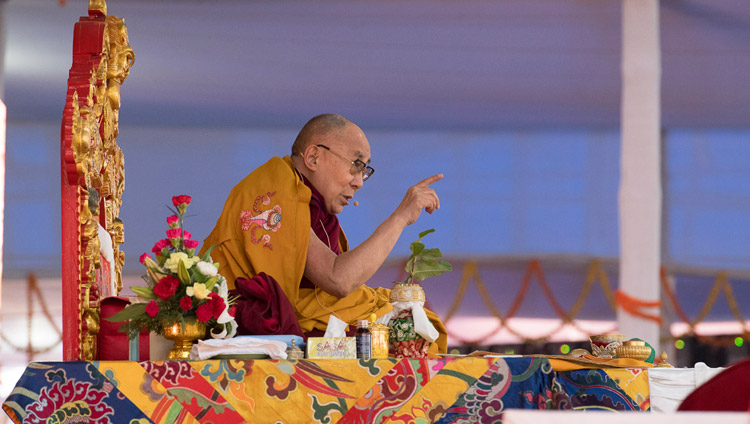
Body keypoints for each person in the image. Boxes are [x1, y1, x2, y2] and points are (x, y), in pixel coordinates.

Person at [201, 113, 447, 353]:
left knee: (411, 322)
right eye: (356, 165)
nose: (359, 181)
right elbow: (338, 280)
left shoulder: (306, 201)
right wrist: (400, 217)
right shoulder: (274, 194)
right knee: (403, 328)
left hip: (302, 321)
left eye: (364, 171)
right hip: (249, 327)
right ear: (313, 157)